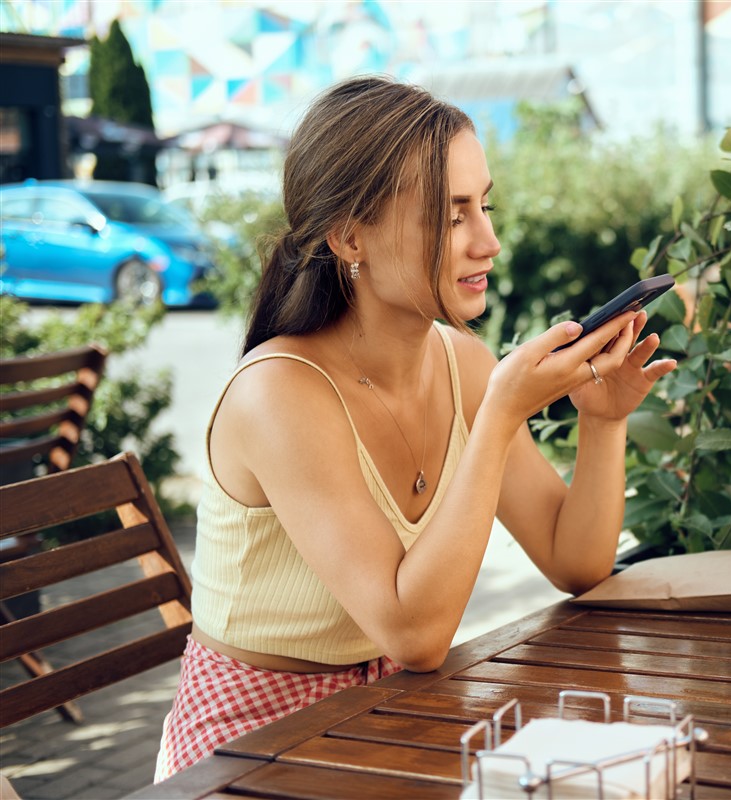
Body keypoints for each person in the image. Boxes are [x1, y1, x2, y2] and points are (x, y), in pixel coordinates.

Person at [154, 75, 676, 780]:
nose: (488, 241)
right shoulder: (278, 394)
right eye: (452, 215)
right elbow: (417, 636)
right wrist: (497, 416)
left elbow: (574, 562)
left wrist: (604, 422)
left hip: (387, 712)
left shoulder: (462, 362)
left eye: (485, 206)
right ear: (349, 236)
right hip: (251, 745)